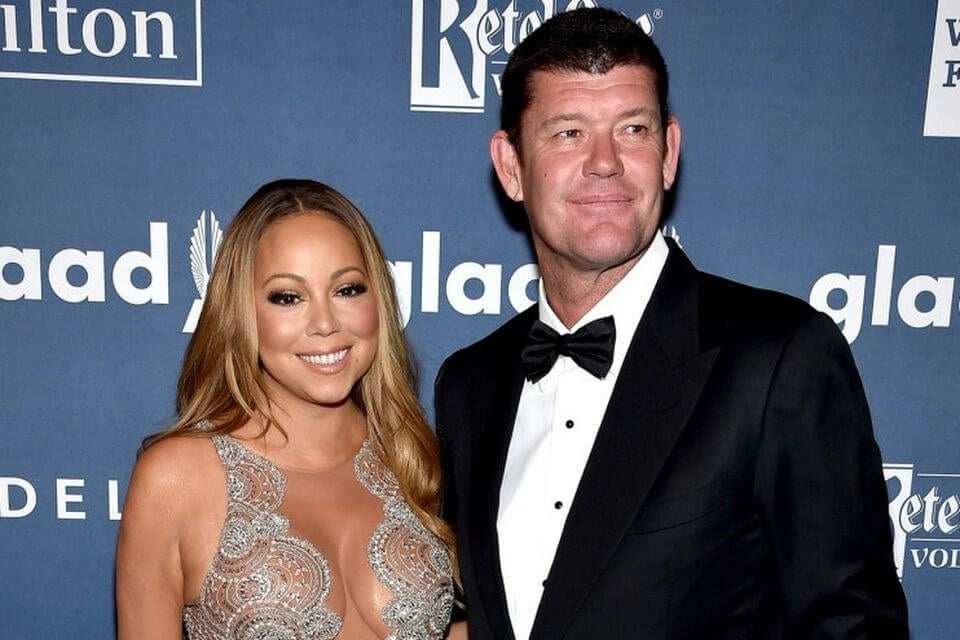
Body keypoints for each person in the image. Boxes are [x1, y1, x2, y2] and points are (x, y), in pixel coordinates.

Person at [434, 8, 908, 640]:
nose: (605, 161)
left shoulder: (778, 358)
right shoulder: (470, 384)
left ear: (668, 152)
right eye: (569, 133)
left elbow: (854, 626)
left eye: (632, 129)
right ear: (511, 166)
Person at [116, 179, 466, 640]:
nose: (325, 324)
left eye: (347, 290)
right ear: (241, 311)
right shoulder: (178, 476)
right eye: (287, 297)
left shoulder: (413, 457)